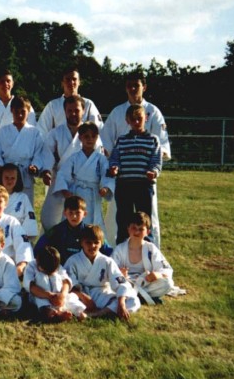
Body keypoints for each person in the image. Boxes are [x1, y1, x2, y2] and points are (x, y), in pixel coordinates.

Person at [101, 70, 170, 247]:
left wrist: (153, 167)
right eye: (129, 85)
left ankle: (150, 251)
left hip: (144, 178)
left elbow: (160, 145)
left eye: (136, 85)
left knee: (147, 216)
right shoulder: (117, 112)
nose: (132, 89)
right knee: (119, 215)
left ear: (144, 87)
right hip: (123, 179)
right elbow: (107, 143)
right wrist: (113, 164)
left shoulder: (153, 111)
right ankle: (117, 250)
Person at [108, 104, 162, 245]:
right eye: (133, 119)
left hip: (143, 185)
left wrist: (153, 172)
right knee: (123, 219)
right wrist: (114, 167)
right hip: (124, 185)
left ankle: (147, 249)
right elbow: (115, 158)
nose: (136, 122)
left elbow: (156, 161)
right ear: (127, 120)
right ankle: (122, 249)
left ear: (146, 118)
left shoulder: (153, 140)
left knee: (144, 219)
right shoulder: (121, 140)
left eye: (139, 118)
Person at [65, 224, 140, 321]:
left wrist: (121, 304)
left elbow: (121, 283)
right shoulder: (73, 261)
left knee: (133, 300)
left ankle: (94, 314)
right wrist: (83, 296)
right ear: (81, 243)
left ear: (101, 243)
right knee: (67, 298)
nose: (92, 246)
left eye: (96, 242)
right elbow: (67, 285)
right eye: (88, 242)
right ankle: (104, 312)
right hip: (81, 295)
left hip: (101, 294)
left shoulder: (107, 261)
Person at [110, 211, 185, 304]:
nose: (137, 232)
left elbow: (165, 269)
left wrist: (158, 275)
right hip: (127, 283)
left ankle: (134, 296)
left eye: (141, 229)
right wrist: (120, 273)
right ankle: (143, 296)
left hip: (145, 283)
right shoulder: (119, 249)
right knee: (111, 284)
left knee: (168, 283)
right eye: (134, 228)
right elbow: (111, 270)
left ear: (147, 232)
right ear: (128, 228)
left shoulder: (151, 249)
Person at [54, 121, 114, 229]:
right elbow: (62, 174)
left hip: (93, 193)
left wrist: (105, 187)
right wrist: (64, 190)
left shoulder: (101, 159)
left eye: (93, 136)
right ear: (80, 138)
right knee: (75, 218)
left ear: (97, 137)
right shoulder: (74, 157)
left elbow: (107, 174)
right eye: (86, 136)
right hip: (76, 193)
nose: (90, 139)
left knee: (93, 223)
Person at [39, 95, 85, 232]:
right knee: (49, 219)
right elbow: (47, 154)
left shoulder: (90, 133)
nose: (73, 113)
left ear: (83, 111)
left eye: (76, 110)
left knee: (81, 218)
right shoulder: (55, 133)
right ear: (65, 111)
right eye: (70, 110)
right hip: (59, 180)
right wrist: (46, 171)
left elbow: (97, 156)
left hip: (82, 182)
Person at [0, 96, 45, 204]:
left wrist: (35, 166)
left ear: (28, 112)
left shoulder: (34, 132)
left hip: (25, 173)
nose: (20, 115)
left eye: (23, 112)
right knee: (5, 204)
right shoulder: (4, 131)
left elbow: (38, 153)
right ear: (11, 110)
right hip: (7, 175)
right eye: (16, 111)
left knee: (25, 205)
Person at [23, 245, 86, 322]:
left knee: (71, 297)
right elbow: (31, 286)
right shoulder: (31, 266)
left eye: (52, 271)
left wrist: (62, 295)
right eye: (46, 271)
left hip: (59, 295)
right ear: (38, 263)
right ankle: (53, 313)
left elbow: (66, 281)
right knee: (41, 280)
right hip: (41, 294)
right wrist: (49, 295)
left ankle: (78, 312)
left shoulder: (58, 266)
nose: (49, 273)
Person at [36, 67, 102, 137]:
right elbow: (42, 132)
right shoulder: (52, 106)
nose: (71, 82)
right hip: (59, 143)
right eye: (68, 79)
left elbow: (98, 130)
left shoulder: (88, 104)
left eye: (74, 79)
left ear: (79, 82)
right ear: (62, 83)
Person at [38, 196, 90, 264]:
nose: (74, 216)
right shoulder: (56, 231)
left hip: (83, 268)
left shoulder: (90, 232)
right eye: (70, 213)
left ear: (85, 214)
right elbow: (38, 249)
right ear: (65, 213)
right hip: (60, 268)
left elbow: (104, 253)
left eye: (78, 213)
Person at [0, 69, 35, 134]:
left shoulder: (24, 105)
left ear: (12, 84)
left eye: (8, 81)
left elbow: (31, 129)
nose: (5, 84)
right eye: (2, 81)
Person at [0, 164, 38, 241]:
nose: (9, 181)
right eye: (6, 178)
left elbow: (29, 217)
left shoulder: (23, 197)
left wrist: (24, 236)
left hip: (17, 235)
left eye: (12, 178)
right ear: (1, 178)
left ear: (17, 179)